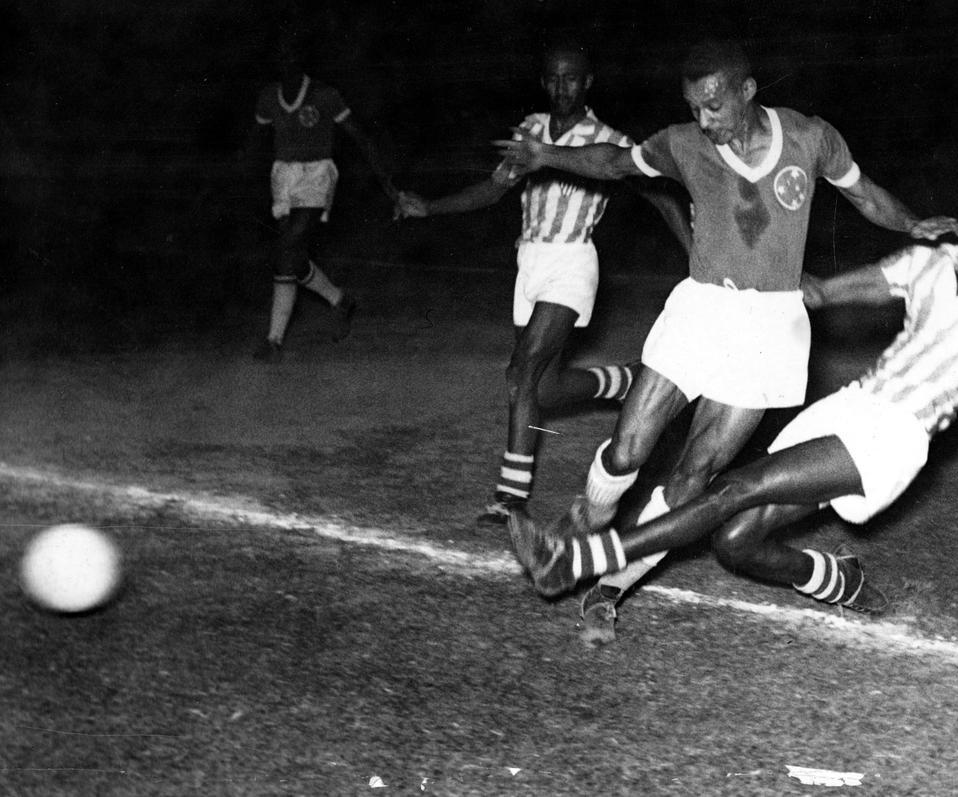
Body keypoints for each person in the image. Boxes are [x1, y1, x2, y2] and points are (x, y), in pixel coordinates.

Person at [508, 185, 958, 615]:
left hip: (894, 437)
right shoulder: (927, 263)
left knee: (735, 487)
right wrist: (745, 249)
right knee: (734, 541)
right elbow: (818, 292)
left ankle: (583, 559)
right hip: (847, 408)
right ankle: (836, 580)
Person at [496, 38, 958, 643]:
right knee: (627, 450)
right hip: (701, 308)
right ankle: (586, 519)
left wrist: (912, 223)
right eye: (693, 108)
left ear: (747, 91)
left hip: (772, 328)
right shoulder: (683, 144)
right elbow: (614, 162)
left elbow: (864, 193)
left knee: (694, 475)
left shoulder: (810, 137)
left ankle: (608, 588)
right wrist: (545, 154)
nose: (704, 120)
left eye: (714, 106)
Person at [395, 41, 692, 525]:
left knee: (520, 371)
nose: (561, 87)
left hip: (572, 262)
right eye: (553, 78)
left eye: (571, 78)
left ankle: (510, 496)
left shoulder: (607, 138)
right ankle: (626, 379)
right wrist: (428, 207)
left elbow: (659, 194)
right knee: (543, 390)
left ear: (587, 82)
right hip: (529, 262)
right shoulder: (530, 130)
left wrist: (695, 254)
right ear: (543, 81)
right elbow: (494, 189)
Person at [246, 30, 399, 363]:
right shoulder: (268, 96)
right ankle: (340, 300)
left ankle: (273, 341)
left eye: (292, 55)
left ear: (303, 59)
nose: (287, 62)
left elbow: (360, 137)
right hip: (283, 177)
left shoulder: (324, 95)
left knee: (288, 247)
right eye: (281, 55)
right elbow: (256, 141)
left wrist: (386, 182)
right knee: (292, 256)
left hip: (316, 175)